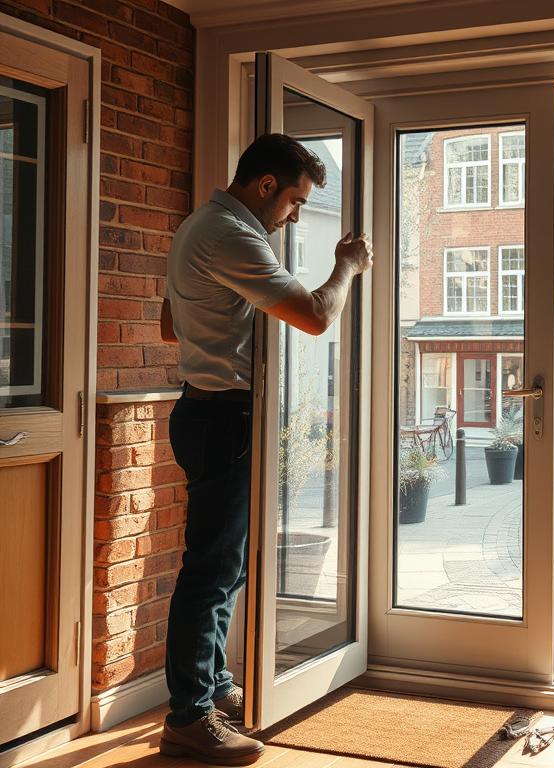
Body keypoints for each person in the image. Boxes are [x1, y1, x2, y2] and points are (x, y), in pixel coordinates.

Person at [157, 133, 372, 765]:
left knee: (226, 567)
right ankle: (188, 718)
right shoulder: (232, 234)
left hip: (207, 410)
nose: (296, 215)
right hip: (222, 418)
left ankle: (213, 685)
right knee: (212, 571)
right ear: (267, 186)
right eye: (296, 202)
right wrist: (348, 268)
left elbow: (169, 322)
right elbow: (313, 314)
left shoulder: (202, 224)